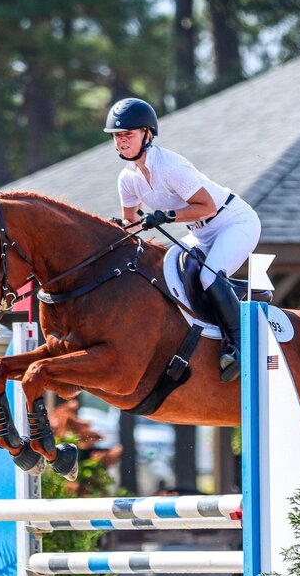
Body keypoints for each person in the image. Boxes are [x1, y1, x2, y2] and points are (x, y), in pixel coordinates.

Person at [104, 97, 261, 382]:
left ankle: (239, 347)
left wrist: (166, 216)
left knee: (209, 277)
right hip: (200, 232)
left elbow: (207, 207)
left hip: (233, 222)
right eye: (117, 136)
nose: (121, 142)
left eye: (128, 134)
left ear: (147, 135)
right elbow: (131, 223)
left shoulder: (171, 165)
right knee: (165, 271)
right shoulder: (127, 179)